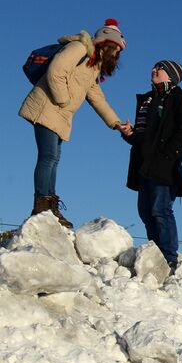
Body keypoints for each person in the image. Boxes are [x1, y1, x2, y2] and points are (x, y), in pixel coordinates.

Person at [18, 19, 130, 226]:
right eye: (116, 49)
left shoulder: (93, 64)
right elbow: (56, 70)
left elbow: (97, 97)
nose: (116, 55)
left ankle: (50, 203)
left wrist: (116, 123)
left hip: (60, 114)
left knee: (53, 158)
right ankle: (41, 205)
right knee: (48, 157)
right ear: (107, 43)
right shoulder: (79, 47)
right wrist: (63, 100)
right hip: (48, 107)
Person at [122, 60, 182, 267]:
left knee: (160, 209)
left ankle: (168, 258)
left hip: (166, 166)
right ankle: (155, 253)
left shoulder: (180, 100)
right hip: (144, 165)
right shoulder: (148, 100)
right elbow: (143, 137)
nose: (154, 70)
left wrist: (169, 153)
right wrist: (130, 134)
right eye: (154, 67)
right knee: (145, 211)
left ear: (171, 76)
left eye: (160, 68)